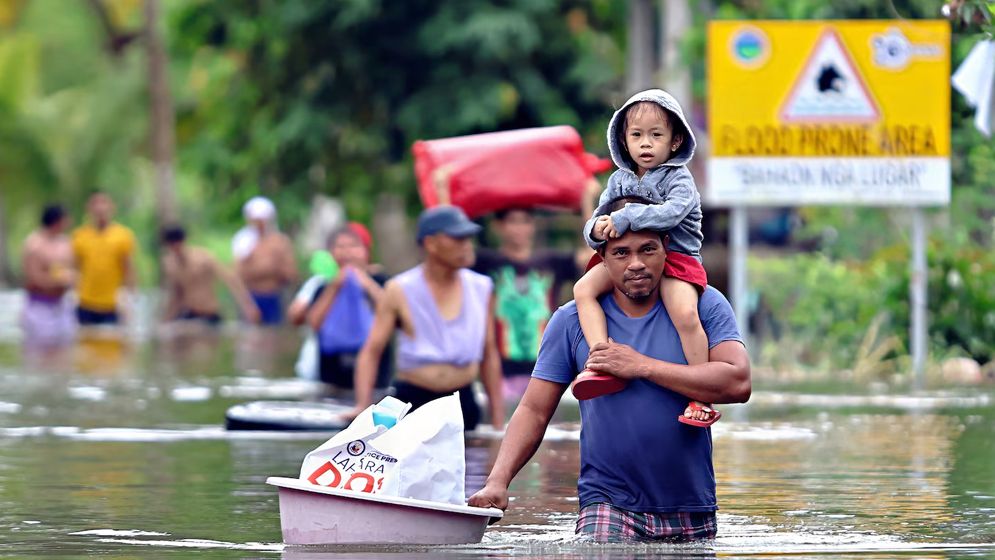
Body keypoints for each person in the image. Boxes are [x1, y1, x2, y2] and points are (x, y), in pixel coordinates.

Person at [468, 221, 751, 542]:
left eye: (648, 249)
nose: (636, 263)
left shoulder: (702, 304)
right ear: (601, 258)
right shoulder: (571, 320)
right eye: (621, 253)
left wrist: (641, 366)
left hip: (691, 505)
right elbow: (533, 409)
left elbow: (737, 382)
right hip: (606, 504)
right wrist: (497, 481)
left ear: (666, 248)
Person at [573, 89, 715, 426]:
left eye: (656, 135)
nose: (646, 144)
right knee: (582, 290)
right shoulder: (619, 179)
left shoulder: (679, 178)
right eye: (637, 135)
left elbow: (671, 213)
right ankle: (600, 359)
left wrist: (624, 219)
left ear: (676, 140)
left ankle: (701, 396)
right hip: (629, 259)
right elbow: (598, 217)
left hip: (676, 258)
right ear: (623, 140)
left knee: (684, 313)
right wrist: (595, 231)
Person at [347, 205, 505, 431]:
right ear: (431, 244)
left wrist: (498, 423)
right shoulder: (399, 289)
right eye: (458, 239)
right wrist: (361, 406)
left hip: (461, 401)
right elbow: (372, 350)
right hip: (412, 400)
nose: (467, 246)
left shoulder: (481, 288)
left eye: (468, 238)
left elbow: (489, 354)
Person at [472, 179, 600, 400]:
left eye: (525, 221)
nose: (519, 228)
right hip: (499, 373)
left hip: (546, 369)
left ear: (533, 225)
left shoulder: (551, 261)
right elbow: (449, 244)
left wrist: (587, 202)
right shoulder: (486, 263)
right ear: (498, 226)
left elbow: (593, 257)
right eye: (512, 221)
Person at [287, 223, 392, 394]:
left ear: (366, 251)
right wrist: (335, 287)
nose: (347, 252)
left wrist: (366, 283)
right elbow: (313, 323)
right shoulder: (323, 285)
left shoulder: (381, 281)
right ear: (330, 253)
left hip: (376, 379)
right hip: (332, 377)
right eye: (340, 247)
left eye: (354, 246)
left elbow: (391, 313)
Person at [160, 225, 260, 325]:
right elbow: (176, 295)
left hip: (209, 313)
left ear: (183, 241)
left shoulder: (202, 258)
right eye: (171, 245)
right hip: (189, 314)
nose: (175, 248)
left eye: (177, 243)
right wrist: (166, 319)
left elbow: (230, 279)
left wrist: (248, 306)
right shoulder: (170, 265)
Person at [72, 192, 137, 325]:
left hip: (112, 304)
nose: (100, 208)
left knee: (112, 343)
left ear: (112, 207)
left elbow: (128, 267)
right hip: (85, 302)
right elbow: (75, 268)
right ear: (88, 208)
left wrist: (130, 296)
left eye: (104, 202)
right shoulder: (79, 236)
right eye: (95, 203)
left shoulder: (123, 236)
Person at [232, 196, 298, 325]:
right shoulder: (243, 241)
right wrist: (247, 304)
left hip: (275, 296)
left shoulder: (280, 242)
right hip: (251, 296)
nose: (259, 223)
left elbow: (291, 273)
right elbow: (238, 274)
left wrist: (274, 266)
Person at [20, 204, 76, 345]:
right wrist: (58, 281)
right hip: (40, 307)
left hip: (62, 306)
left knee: (64, 353)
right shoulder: (34, 244)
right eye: (66, 219)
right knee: (40, 352)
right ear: (57, 221)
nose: (69, 222)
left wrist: (72, 278)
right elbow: (34, 278)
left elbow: (70, 269)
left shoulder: (65, 242)